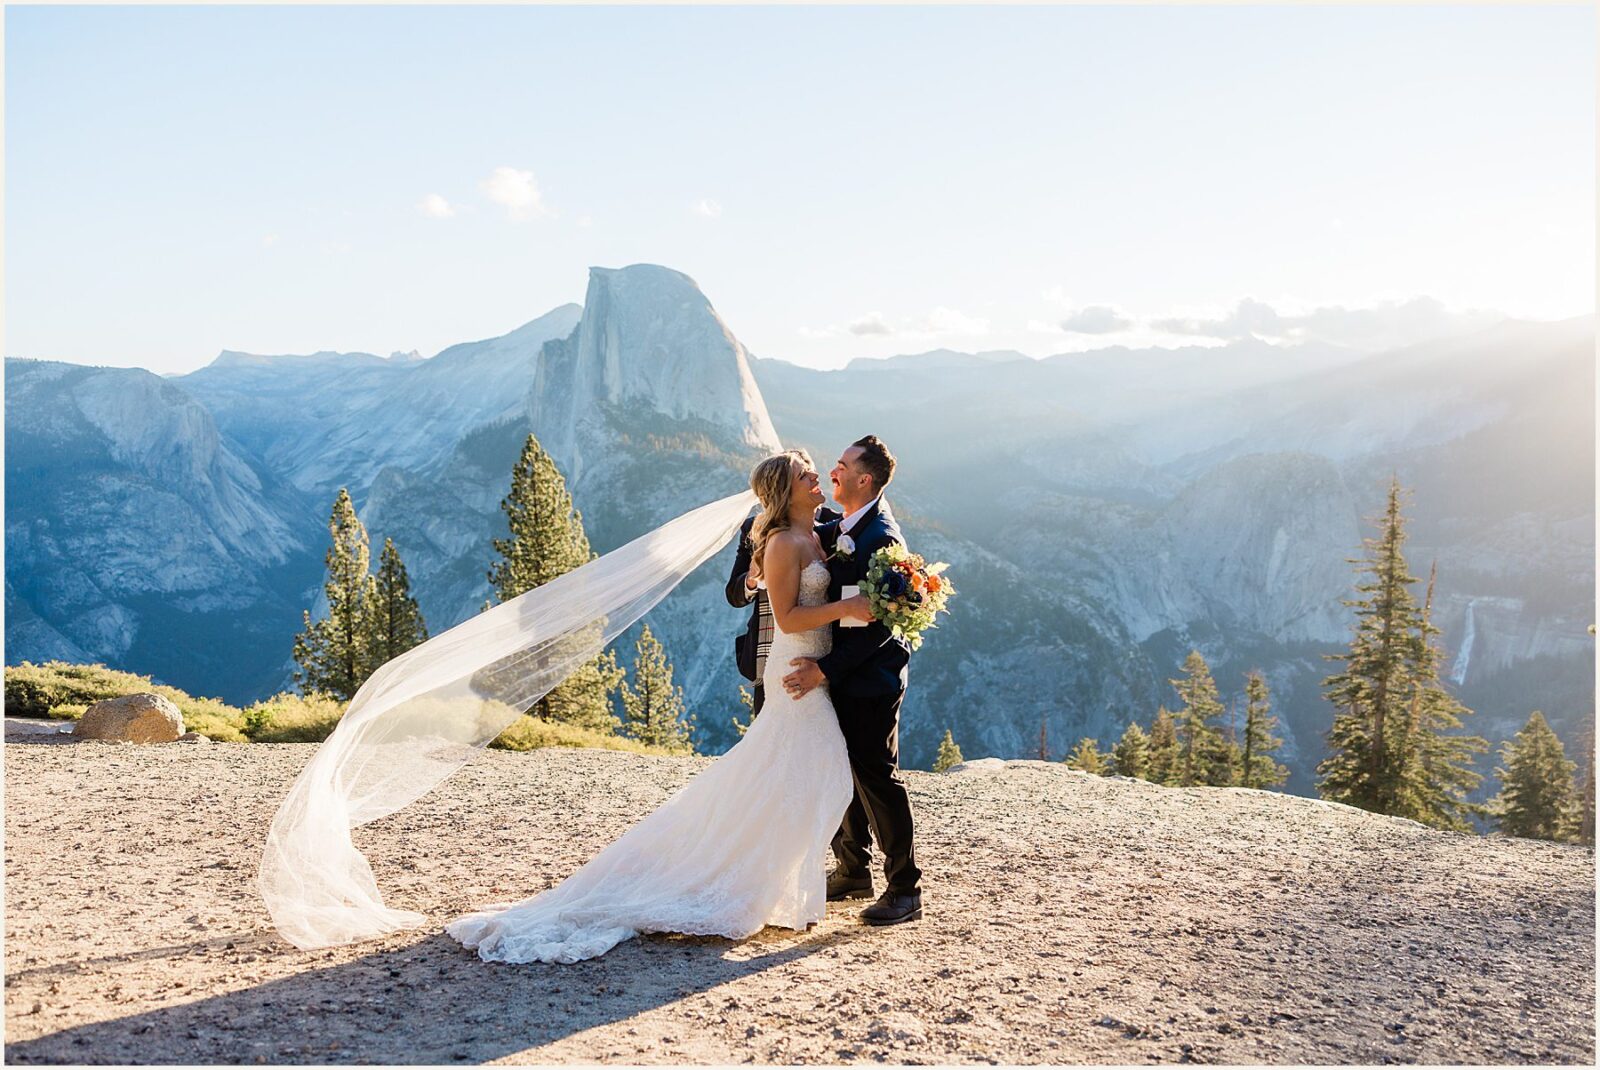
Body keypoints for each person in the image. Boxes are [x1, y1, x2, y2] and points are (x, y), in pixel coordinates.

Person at [445, 450, 874, 963]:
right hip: (790, 666)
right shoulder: (778, 538)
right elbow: (771, 607)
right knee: (809, 768)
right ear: (787, 490)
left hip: (815, 670)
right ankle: (752, 880)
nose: (818, 477)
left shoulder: (822, 531)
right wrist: (835, 604)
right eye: (807, 475)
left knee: (780, 771)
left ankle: (788, 876)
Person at [782, 435, 923, 926]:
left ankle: (905, 890)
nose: (832, 472)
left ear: (865, 479)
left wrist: (823, 668)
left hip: (871, 678)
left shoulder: (881, 538)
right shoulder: (841, 526)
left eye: (840, 466)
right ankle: (852, 868)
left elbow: (882, 624)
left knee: (876, 777)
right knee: (841, 769)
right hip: (840, 671)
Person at [726, 492, 841, 718]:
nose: (813, 477)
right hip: (769, 652)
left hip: (821, 653)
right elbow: (734, 595)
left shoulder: (835, 524)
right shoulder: (755, 527)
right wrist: (752, 579)